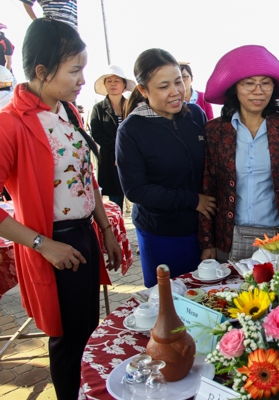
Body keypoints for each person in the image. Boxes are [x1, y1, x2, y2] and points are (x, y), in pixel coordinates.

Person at [0, 19, 121, 399]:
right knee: (67, 341)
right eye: (75, 70)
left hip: (84, 236)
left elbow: (87, 180)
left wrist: (105, 230)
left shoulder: (68, 113)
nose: (83, 79)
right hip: (53, 245)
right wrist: (41, 244)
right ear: (42, 71)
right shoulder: (11, 124)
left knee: (89, 331)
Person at [116, 48, 215, 287]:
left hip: (201, 229)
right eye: (163, 86)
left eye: (178, 82)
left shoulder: (196, 116)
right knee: (169, 301)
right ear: (143, 90)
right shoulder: (131, 131)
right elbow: (136, 190)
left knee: (205, 298)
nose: (175, 92)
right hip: (161, 233)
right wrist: (193, 200)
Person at [200, 45, 279, 261]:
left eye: (265, 83)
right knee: (230, 294)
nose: (258, 91)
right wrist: (207, 242)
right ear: (235, 88)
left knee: (277, 294)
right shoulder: (216, 131)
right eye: (249, 83)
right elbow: (208, 188)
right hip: (229, 236)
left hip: (277, 236)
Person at [90, 65, 136, 211]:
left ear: (123, 85)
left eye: (117, 80)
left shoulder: (131, 105)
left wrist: (125, 149)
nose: (113, 84)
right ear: (105, 84)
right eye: (109, 81)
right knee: (115, 200)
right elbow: (97, 133)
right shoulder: (98, 108)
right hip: (109, 160)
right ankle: (118, 231)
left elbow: (136, 130)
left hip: (131, 157)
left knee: (137, 194)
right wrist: (116, 148)